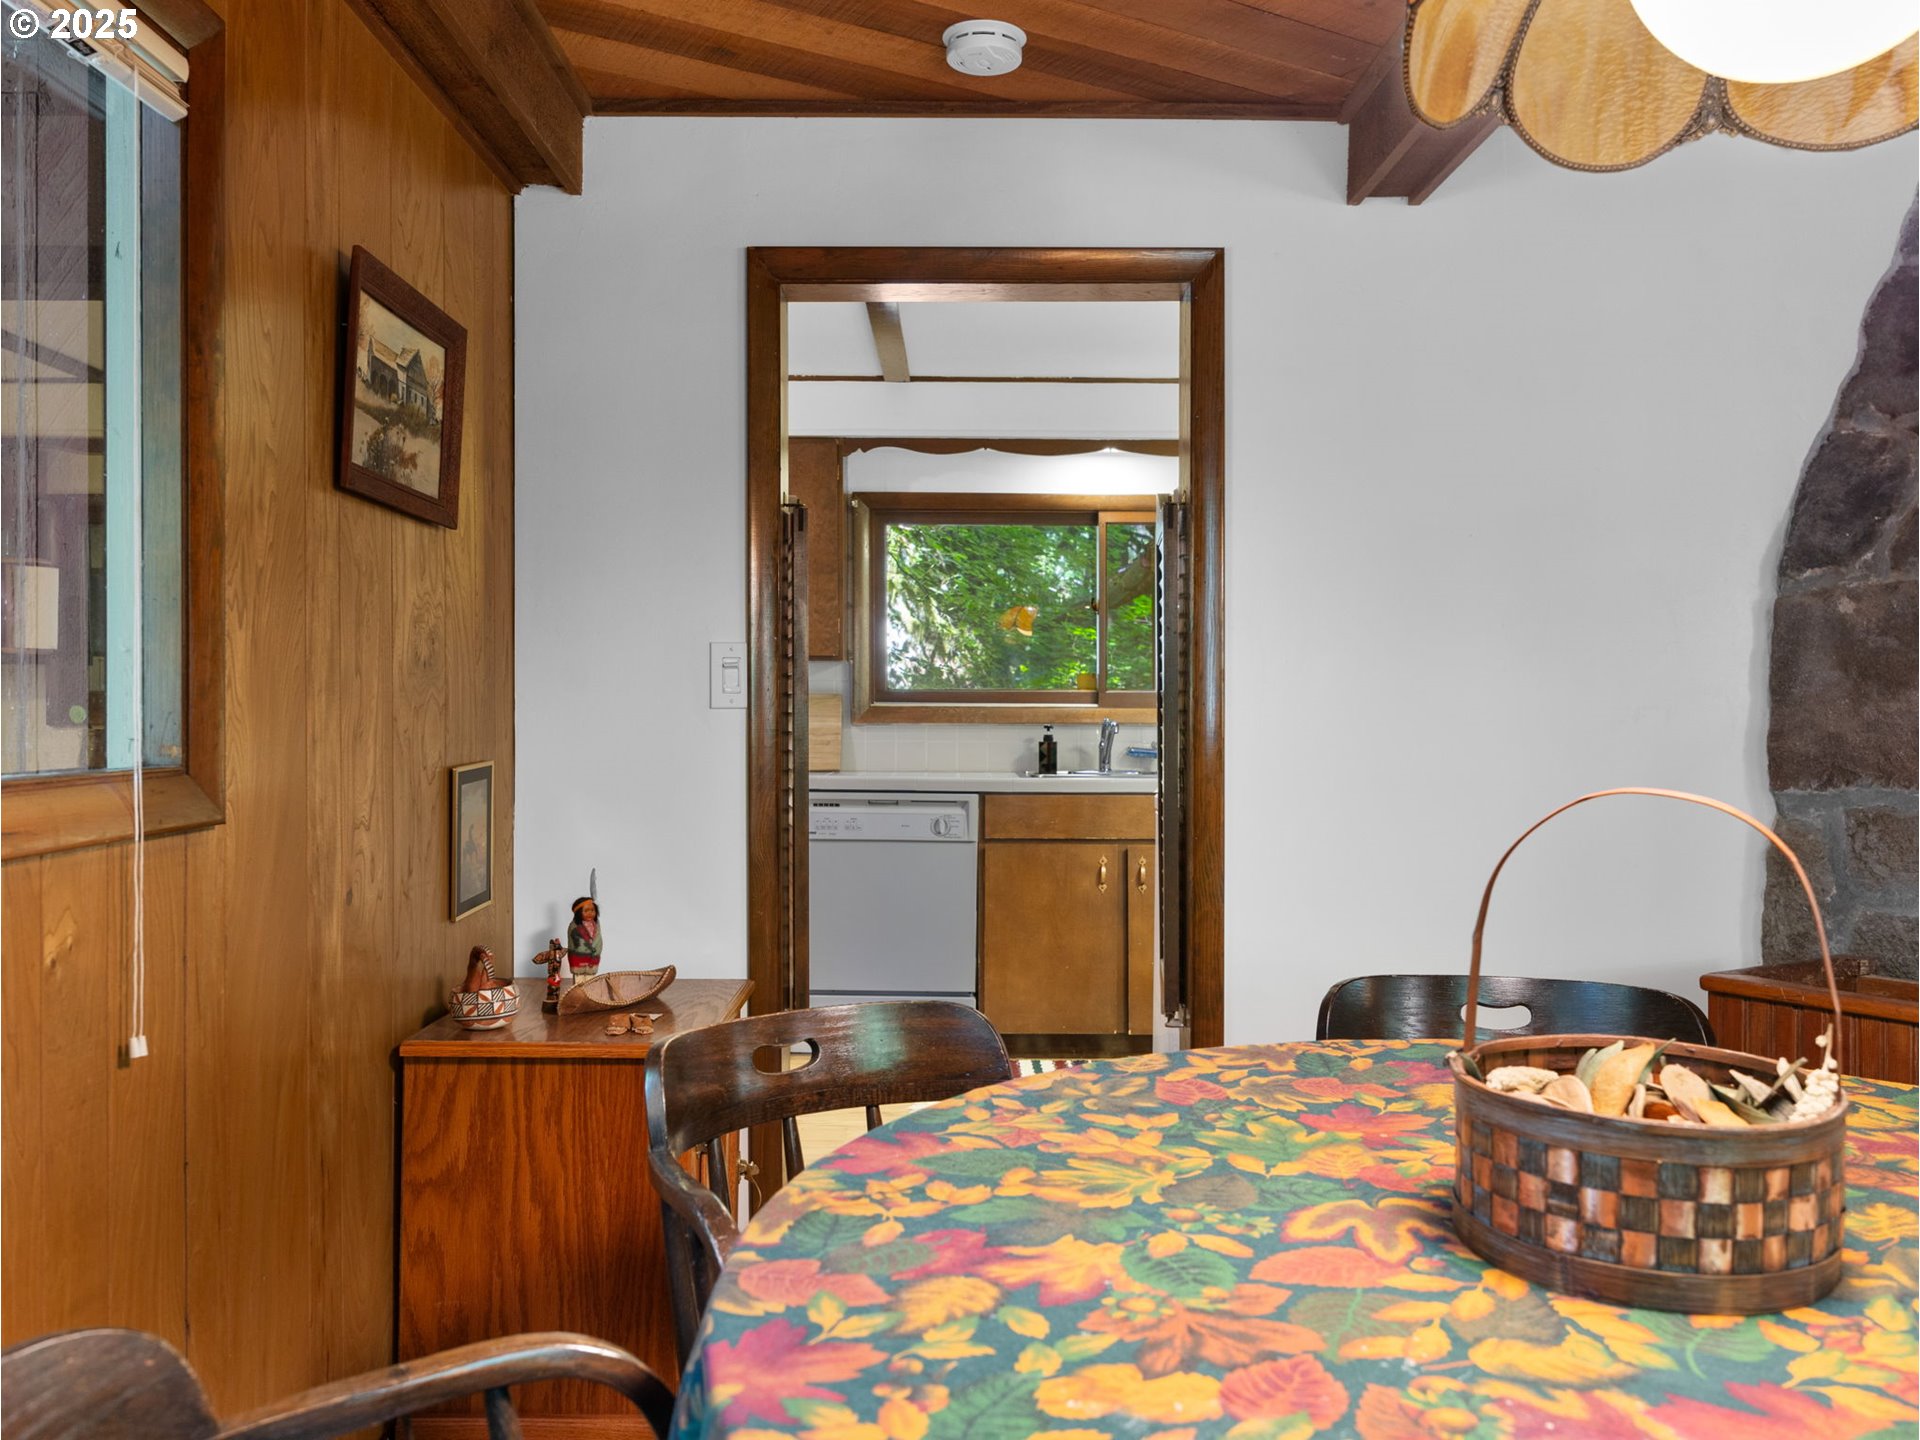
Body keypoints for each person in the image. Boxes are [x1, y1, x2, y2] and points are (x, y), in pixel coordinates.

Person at [566, 897, 602, 980]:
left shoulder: (596, 925)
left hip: (593, 959)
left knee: (590, 981)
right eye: (586, 911)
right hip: (578, 959)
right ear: (578, 913)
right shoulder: (574, 927)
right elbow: (575, 944)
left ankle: (589, 993)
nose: (590, 913)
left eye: (592, 910)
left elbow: (598, 940)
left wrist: (596, 950)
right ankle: (578, 993)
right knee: (579, 982)